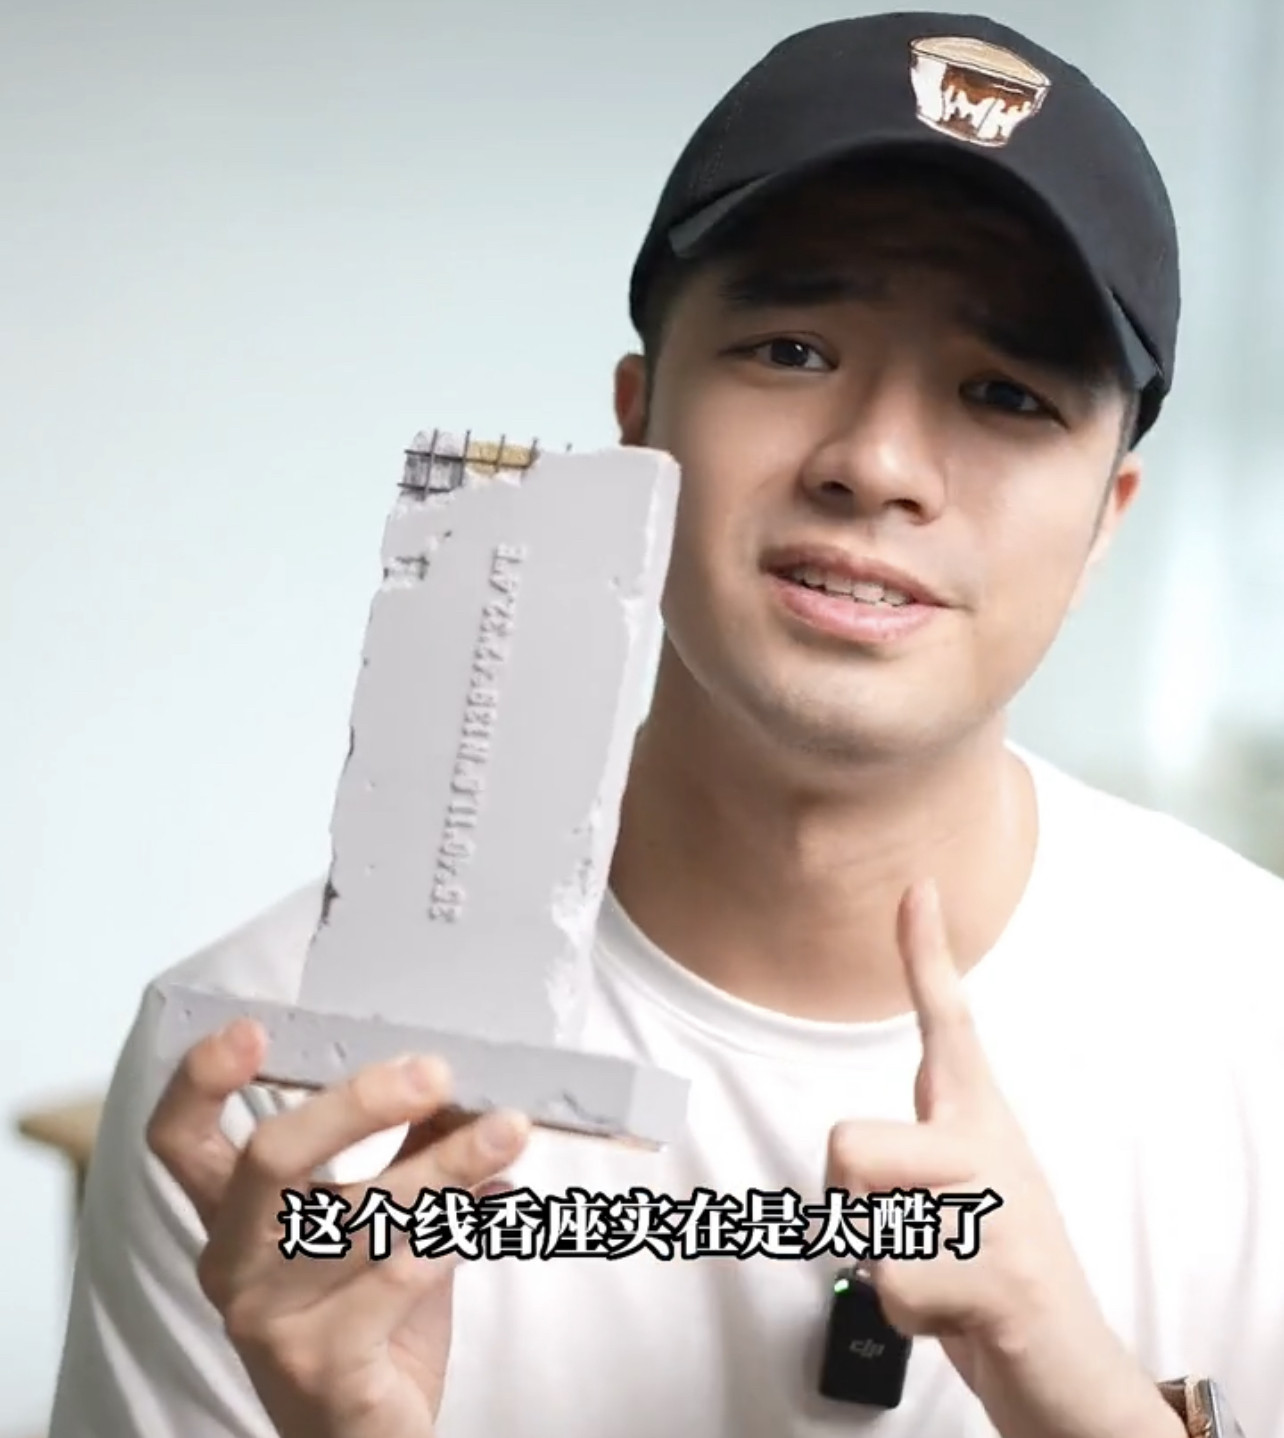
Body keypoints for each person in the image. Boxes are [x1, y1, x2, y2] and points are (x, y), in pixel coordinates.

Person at [48, 12, 1281, 1438]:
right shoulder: (272, 1094)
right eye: (793, 347)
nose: (878, 462)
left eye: (1005, 393)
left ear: (1106, 522)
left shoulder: (1258, 1025)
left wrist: (1093, 1402)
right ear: (637, 424)